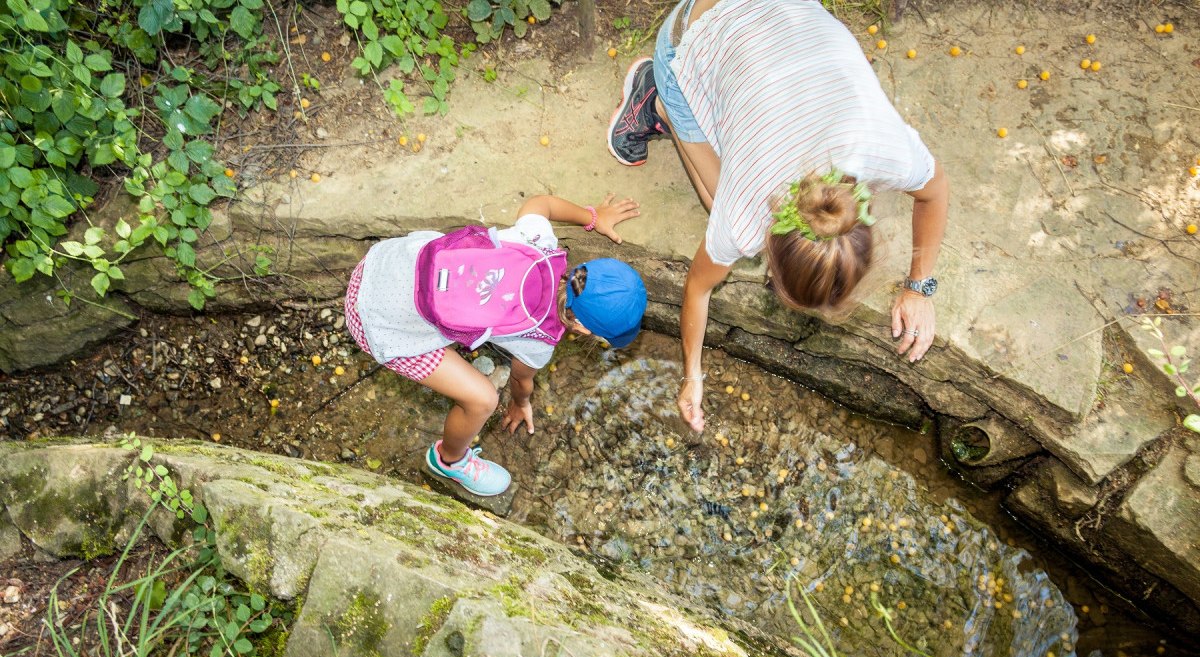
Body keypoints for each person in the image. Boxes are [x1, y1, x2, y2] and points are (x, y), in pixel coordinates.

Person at [606, 0, 950, 433]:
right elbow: (697, 288)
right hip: (687, 36)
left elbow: (935, 192)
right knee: (716, 201)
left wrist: (920, 287)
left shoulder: (886, 151)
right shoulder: (743, 216)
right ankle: (656, 99)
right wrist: (690, 374)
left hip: (776, 25)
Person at [344, 194, 648, 496]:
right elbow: (520, 379)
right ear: (581, 328)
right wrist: (520, 403)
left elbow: (540, 203)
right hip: (378, 324)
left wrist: (592, 217)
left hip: (383, 263)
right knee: (483, 400)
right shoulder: (539, 338)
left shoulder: (538, 240)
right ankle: (449, 461)